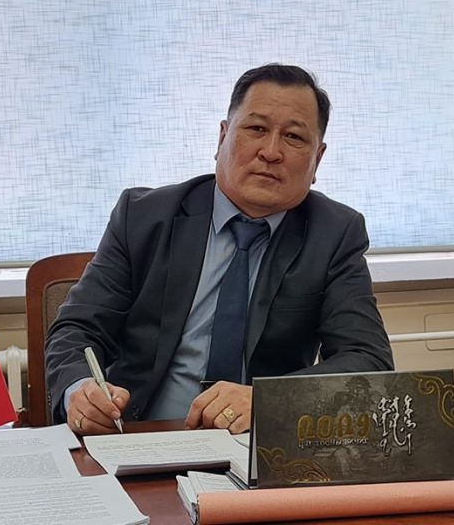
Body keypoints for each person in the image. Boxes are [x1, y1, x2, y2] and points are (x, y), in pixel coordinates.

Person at [45, 63, 394, 435]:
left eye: (293, 137)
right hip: (139, 435)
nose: (271, 152)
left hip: (257, 446)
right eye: (256, 129)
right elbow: (77, 330)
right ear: (223, 137)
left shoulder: (334, 233)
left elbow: (369, 361)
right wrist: (80, 391)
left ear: (317, 159)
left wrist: (268, 401)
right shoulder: (144, 217)